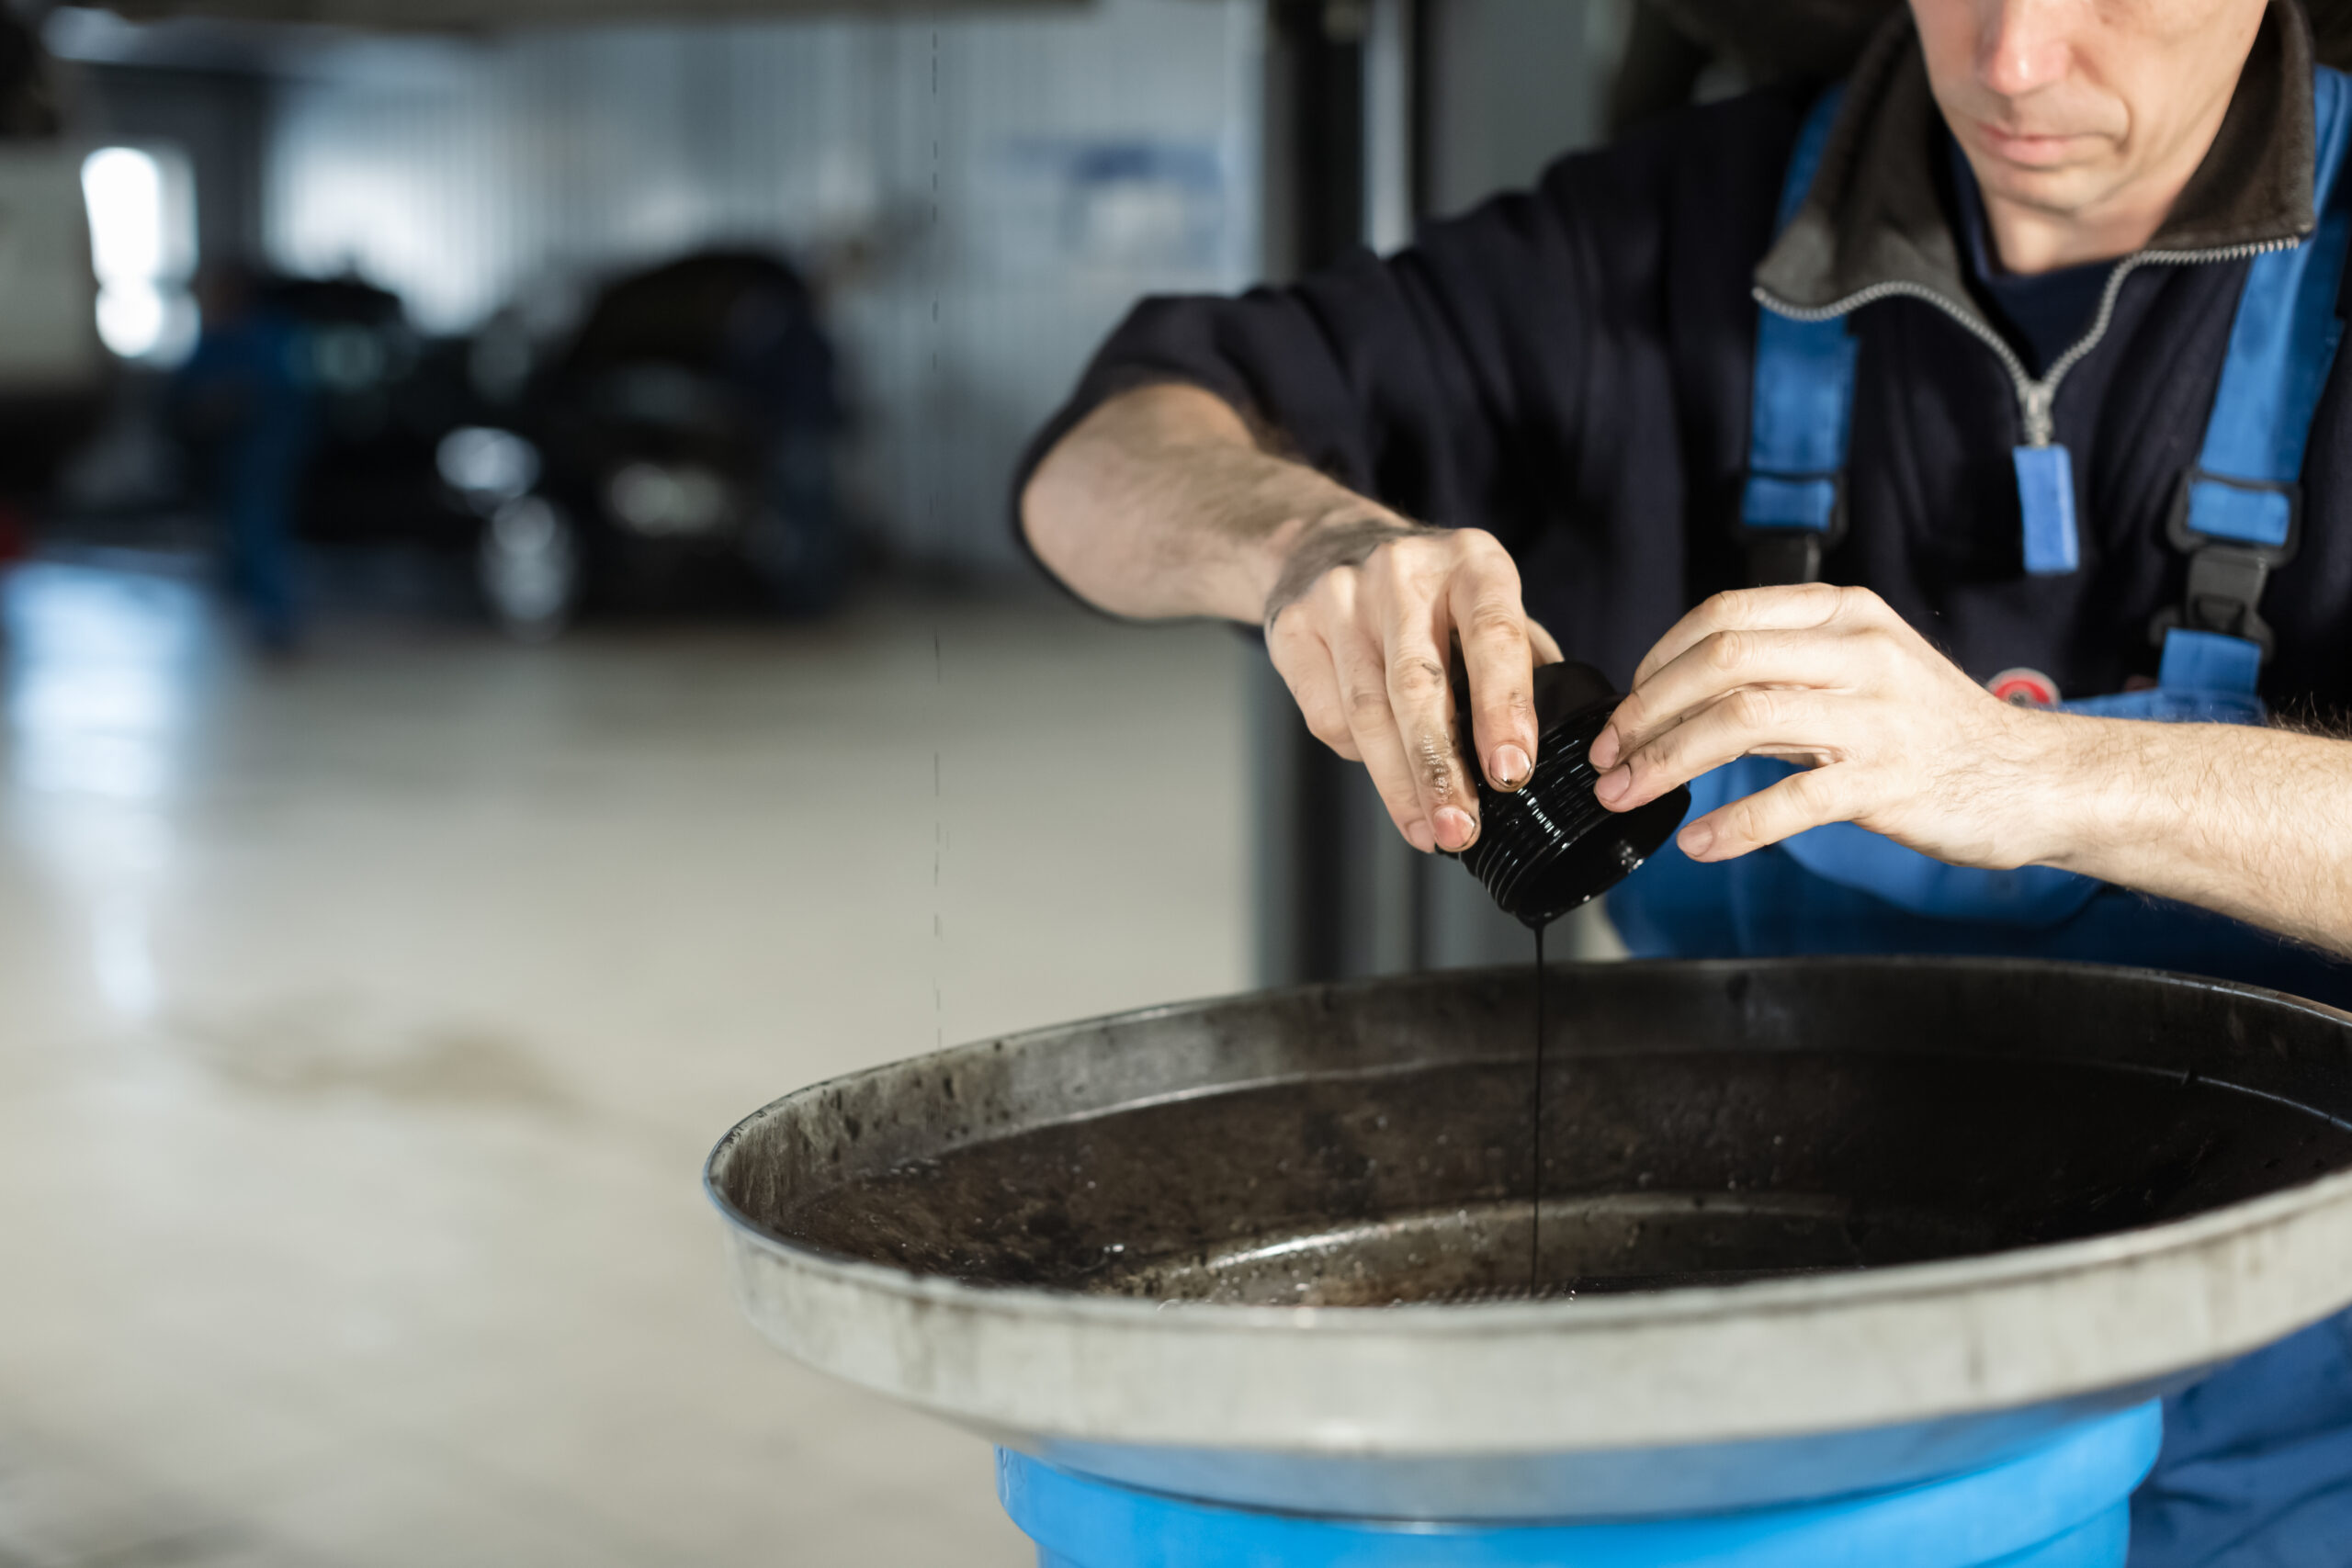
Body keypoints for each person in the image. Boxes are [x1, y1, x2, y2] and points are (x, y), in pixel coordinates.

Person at [1017, 0, 2352, 1559]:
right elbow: (1093, 464)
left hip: (2292, 1404)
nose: (2014, 59)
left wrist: (2042, 771)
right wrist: (1298, 541)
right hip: (1751, 1412)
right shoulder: (1664, 235)